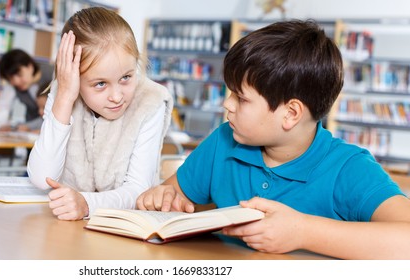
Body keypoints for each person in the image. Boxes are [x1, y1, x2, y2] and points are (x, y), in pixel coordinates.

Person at [136, 20, 410, 259]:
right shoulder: (223, 141)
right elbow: (173, 198)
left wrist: (303, 232)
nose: (226, 105)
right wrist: (163, 196)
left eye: (241, 98)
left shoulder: (348, 168)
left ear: (291, 114)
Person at [27, 7, 173, 221]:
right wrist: (65, 98)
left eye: (126, 77)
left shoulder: (150, 101)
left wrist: (87, 204)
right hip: (67, 230)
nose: (116, 96)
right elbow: (42, 179)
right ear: (73, 77)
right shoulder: (64, 91)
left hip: (123, 231)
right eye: (101, 84)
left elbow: (138, 190)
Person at [0, 49, 53, 132]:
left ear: (30, 67)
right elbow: (1, 111)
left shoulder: (53, 75)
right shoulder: (13, 85)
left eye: (19, 75)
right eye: (10, 78)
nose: (16, 82)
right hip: (30, 133)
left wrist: (29, 127)